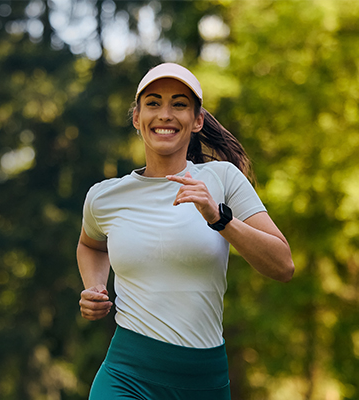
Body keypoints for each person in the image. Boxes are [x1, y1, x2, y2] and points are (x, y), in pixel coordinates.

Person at [77, 63, 294, 399]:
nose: (165, 114)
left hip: (203, 380)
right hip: (127, 374)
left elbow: (282, 266)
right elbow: (91, 245)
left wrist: (220, 219)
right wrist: (94, 286)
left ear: (197, 121)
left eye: (179, 104)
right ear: (137, 118)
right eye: (153, 103)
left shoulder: (222, 179)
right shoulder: (105, 196)